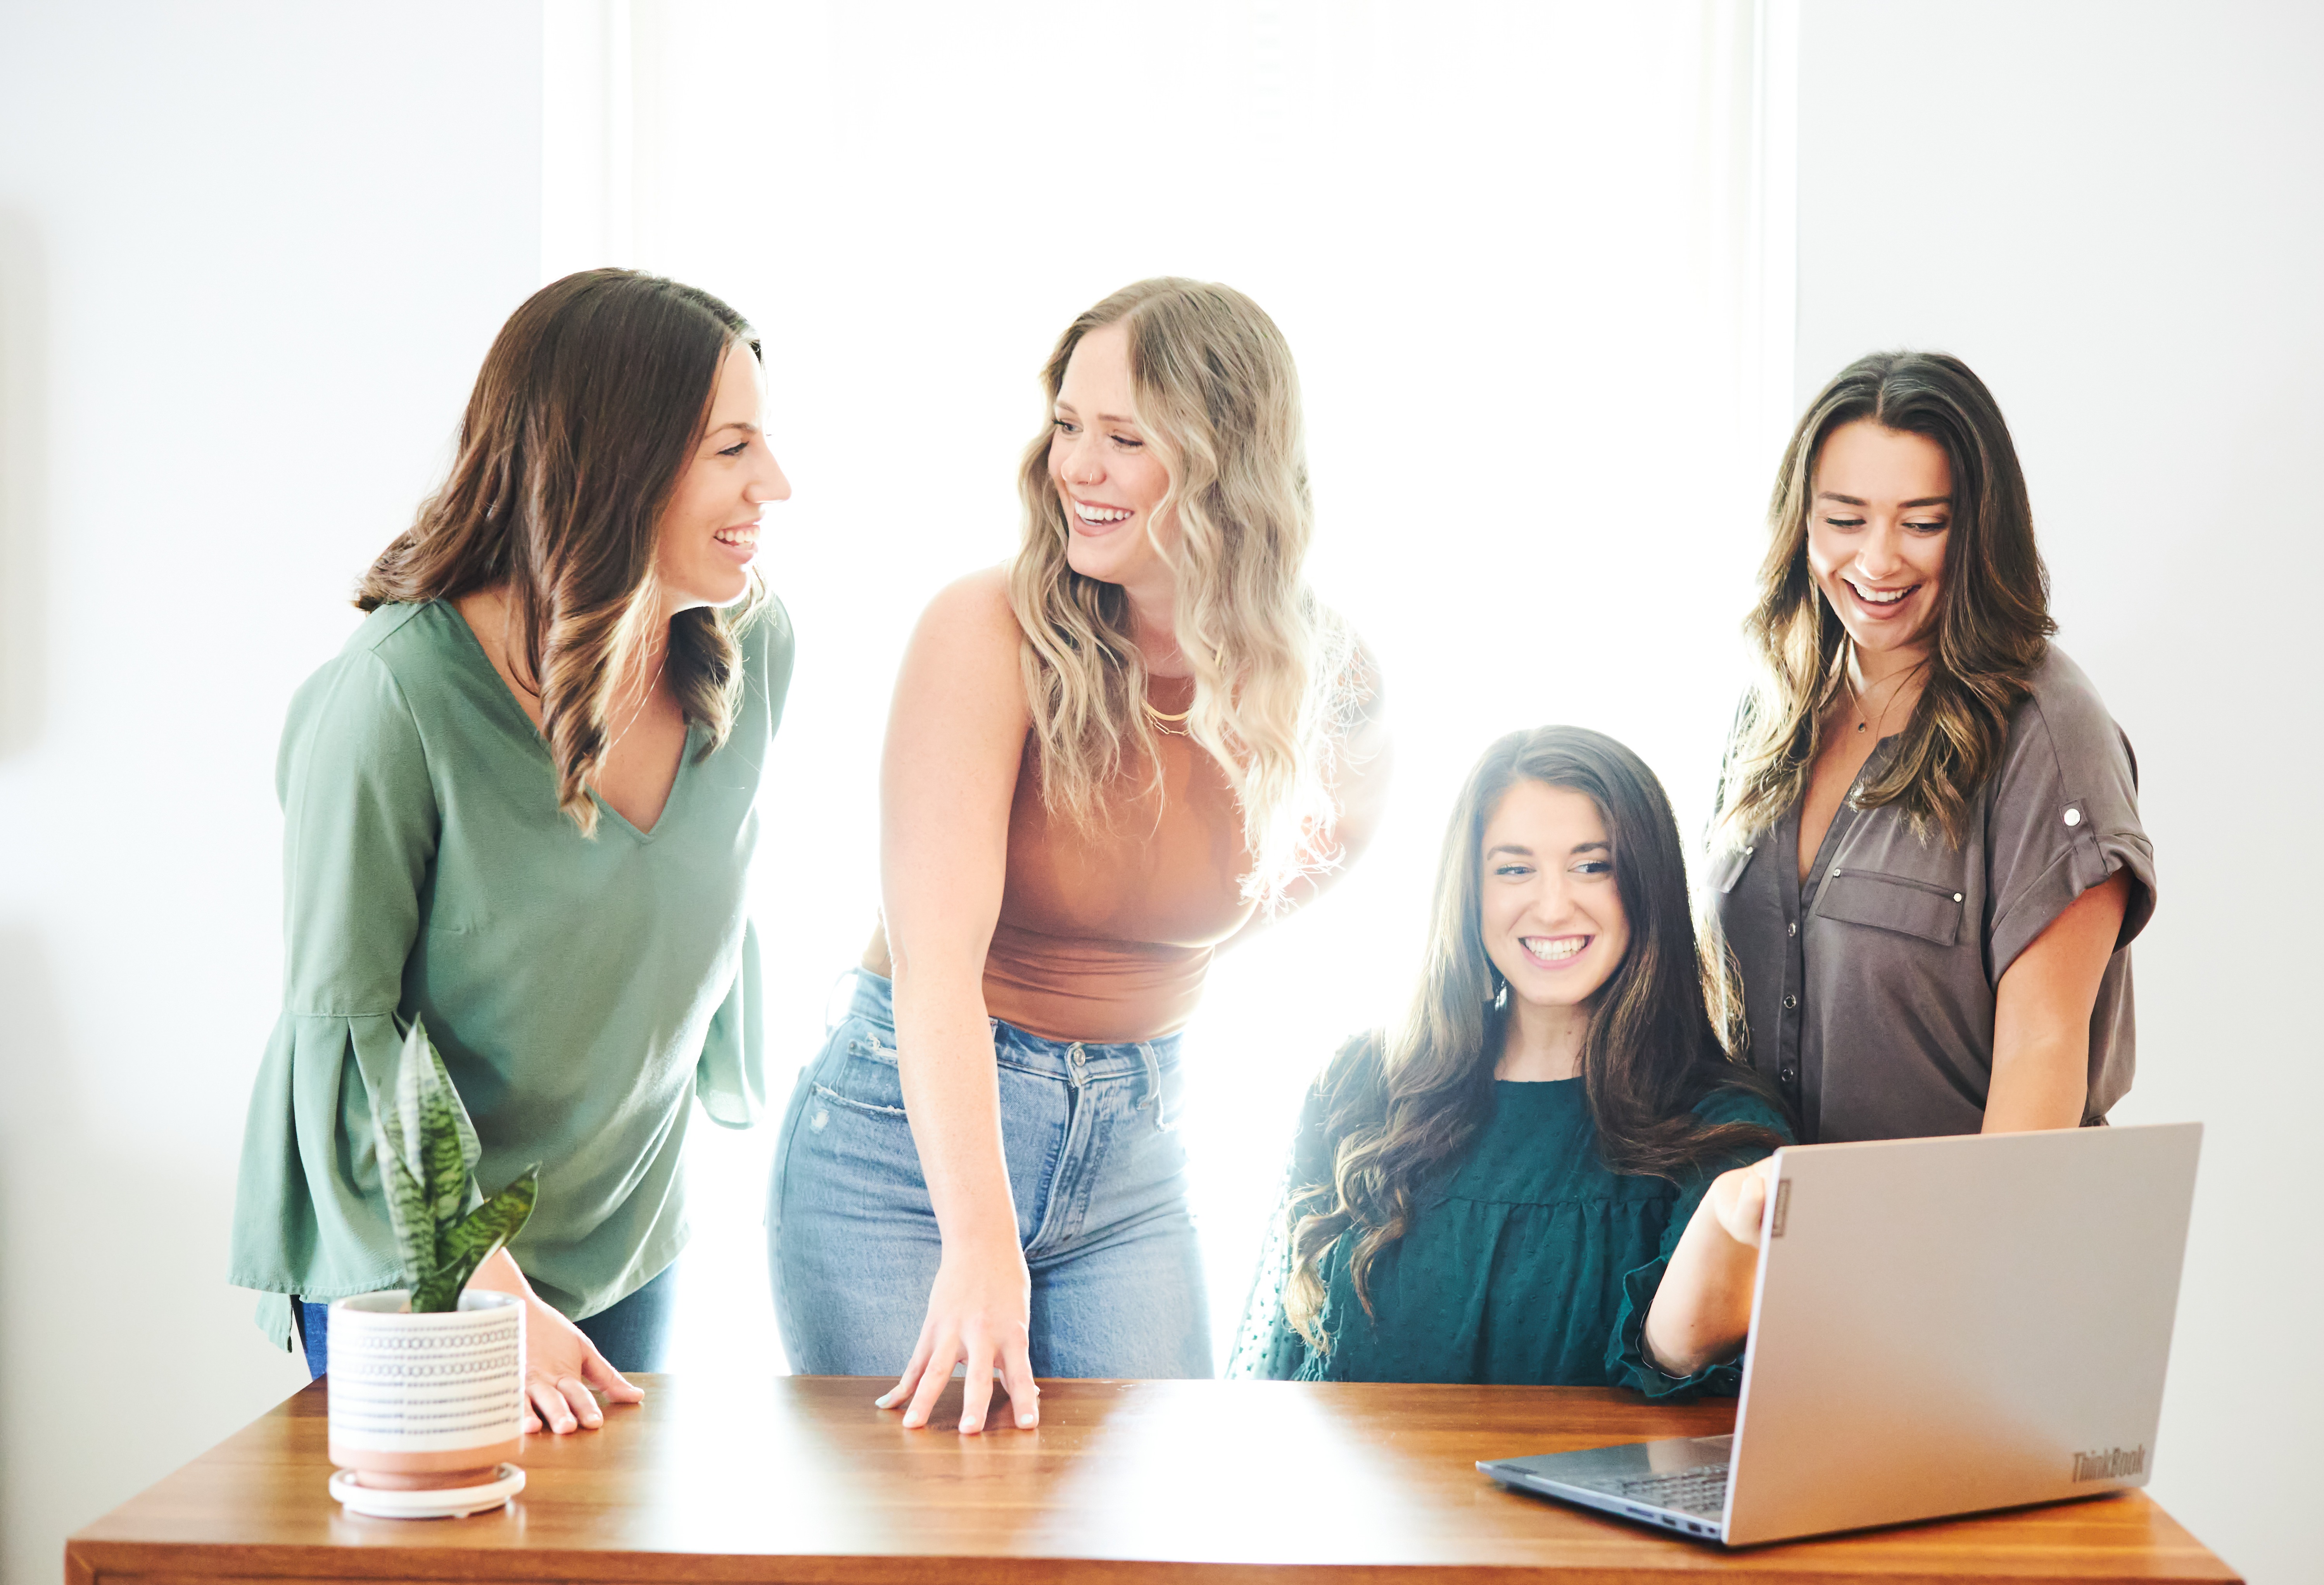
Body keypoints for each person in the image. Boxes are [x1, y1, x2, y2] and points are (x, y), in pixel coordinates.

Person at [768, 277, 1387, 1433]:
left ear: (1224, 463)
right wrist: (980, 1243)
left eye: (1123, 439)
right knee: (946, 1543)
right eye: (1066, 428)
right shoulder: (984, 630)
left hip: (1133, 1156)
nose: (1076, 469)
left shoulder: (1322, 676)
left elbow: (1335, 843)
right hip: (901, 1161)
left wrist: (1146, 957)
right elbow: (934, 963)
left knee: (1151, 1540)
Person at [228, 269, 796, 1435]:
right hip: (416, 1259)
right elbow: (350, 1036)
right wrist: (488, 1289)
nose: (774, 487)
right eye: (732, 448)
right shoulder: (392, 702)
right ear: (616, 462)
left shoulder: (753, 647)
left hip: (624, 1238)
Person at [1234, 727, 1789, 1393]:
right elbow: (1284, 1370)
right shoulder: (1362, 1083)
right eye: (1514, 869)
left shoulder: (1724, 1129)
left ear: (1649, 886)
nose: (1552, 907)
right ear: (1470, 890)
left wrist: (1730, 1222)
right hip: (1368, 1499)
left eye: (1593, 866)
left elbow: (1674, 1370)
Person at [1704, 351, 2153, 1144]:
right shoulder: (1769, 710)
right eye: (1845, 520)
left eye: (1922, 523)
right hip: (1771, 1238)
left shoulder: (2047, 732)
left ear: (1978, 528)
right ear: (1800, 520)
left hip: (1956, 1244)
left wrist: (1968, 1263)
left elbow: (2043, 1055)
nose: (1877, 561)